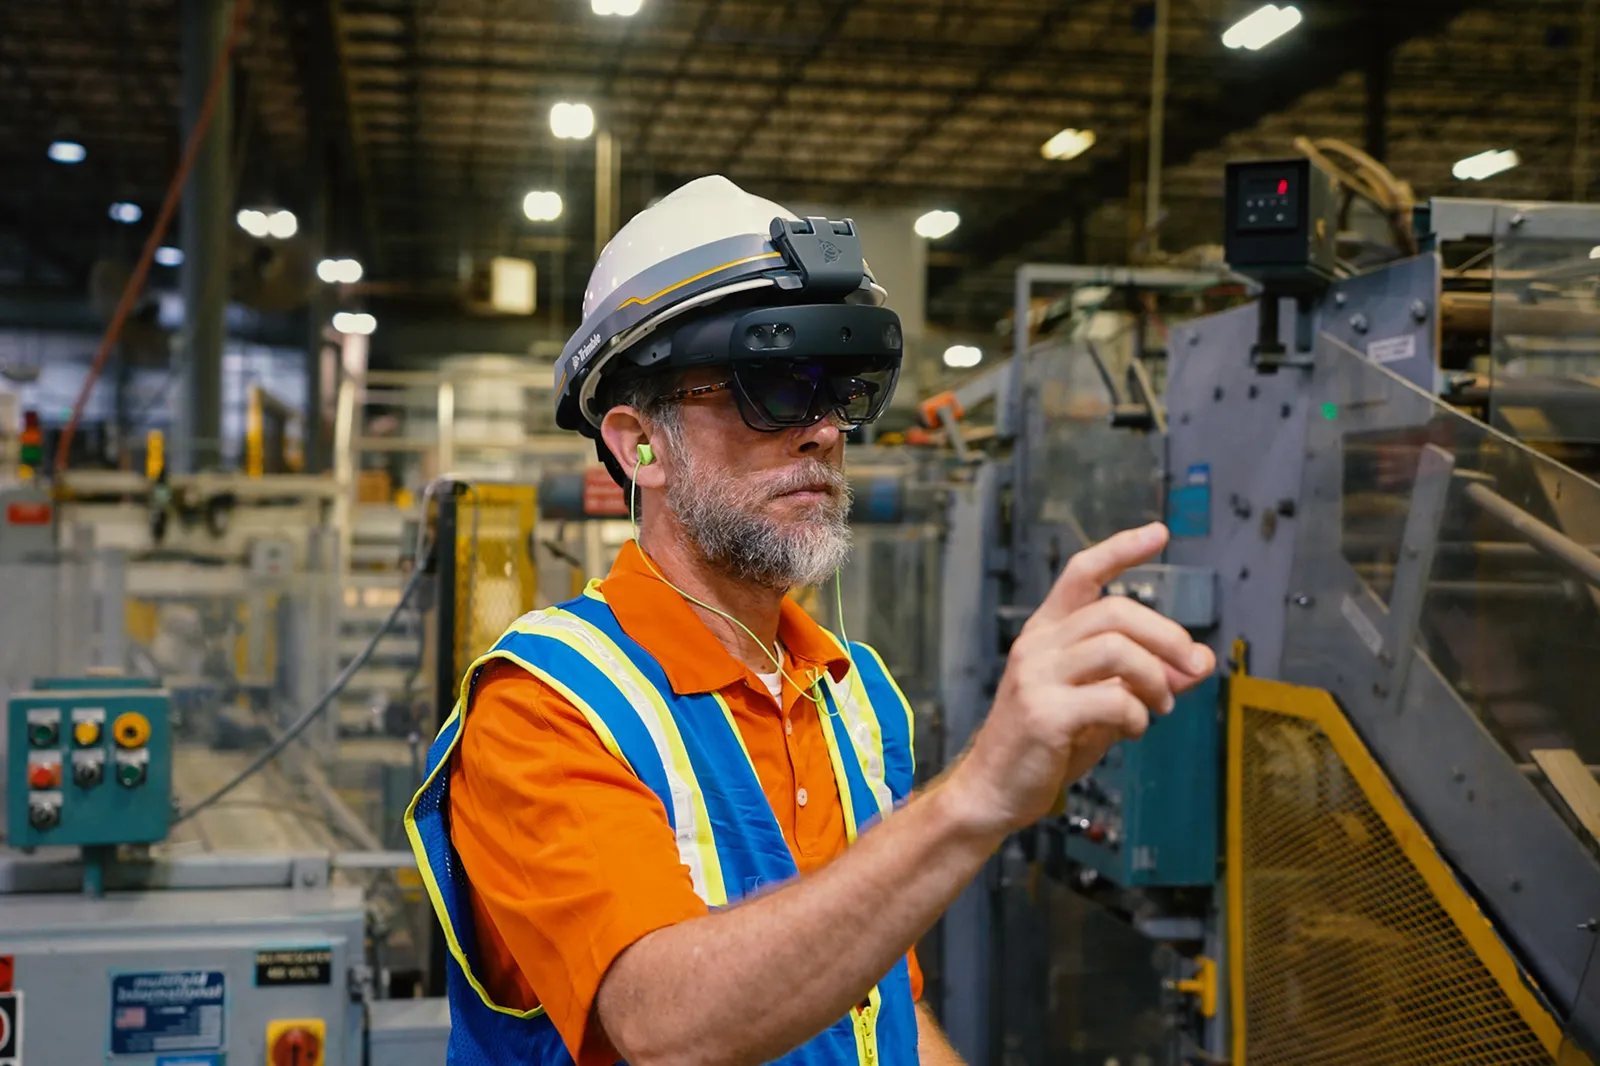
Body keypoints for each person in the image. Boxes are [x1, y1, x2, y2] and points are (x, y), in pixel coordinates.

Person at [407, 176, 1216, 1066]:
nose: (824, 432)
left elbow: (879, 1011)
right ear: (641, 444)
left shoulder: (856, 697)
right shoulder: (546, 707)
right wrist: (977, 797)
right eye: (773, 387)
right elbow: (660, 1025)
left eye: (840, 391)